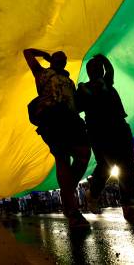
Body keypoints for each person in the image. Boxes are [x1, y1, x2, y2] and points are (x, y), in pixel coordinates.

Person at [77, 54, 134, 221]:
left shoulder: (107, 82)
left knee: (127, 165)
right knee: (106, 165)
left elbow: (109, 69)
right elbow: (76, 108)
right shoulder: (83, 89)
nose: (99, 70)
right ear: (89, 71)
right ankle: (93, 193)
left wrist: (103, 58)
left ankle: (130, 208)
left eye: (100, 68)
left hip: (120, 127)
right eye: (94, 67)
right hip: (100, 131)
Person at [24, 48, 91, 228]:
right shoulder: (42, 73)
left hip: (71, 119)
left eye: (64, 57)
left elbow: (75, 104)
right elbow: (27, 52)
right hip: (52, 117)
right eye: (57, 56)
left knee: (84, 154)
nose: (62, 58)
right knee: (62, 159)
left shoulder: (70, 81)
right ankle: (72, 211)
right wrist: (44, 55)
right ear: (52, 60)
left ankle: (67, 191)